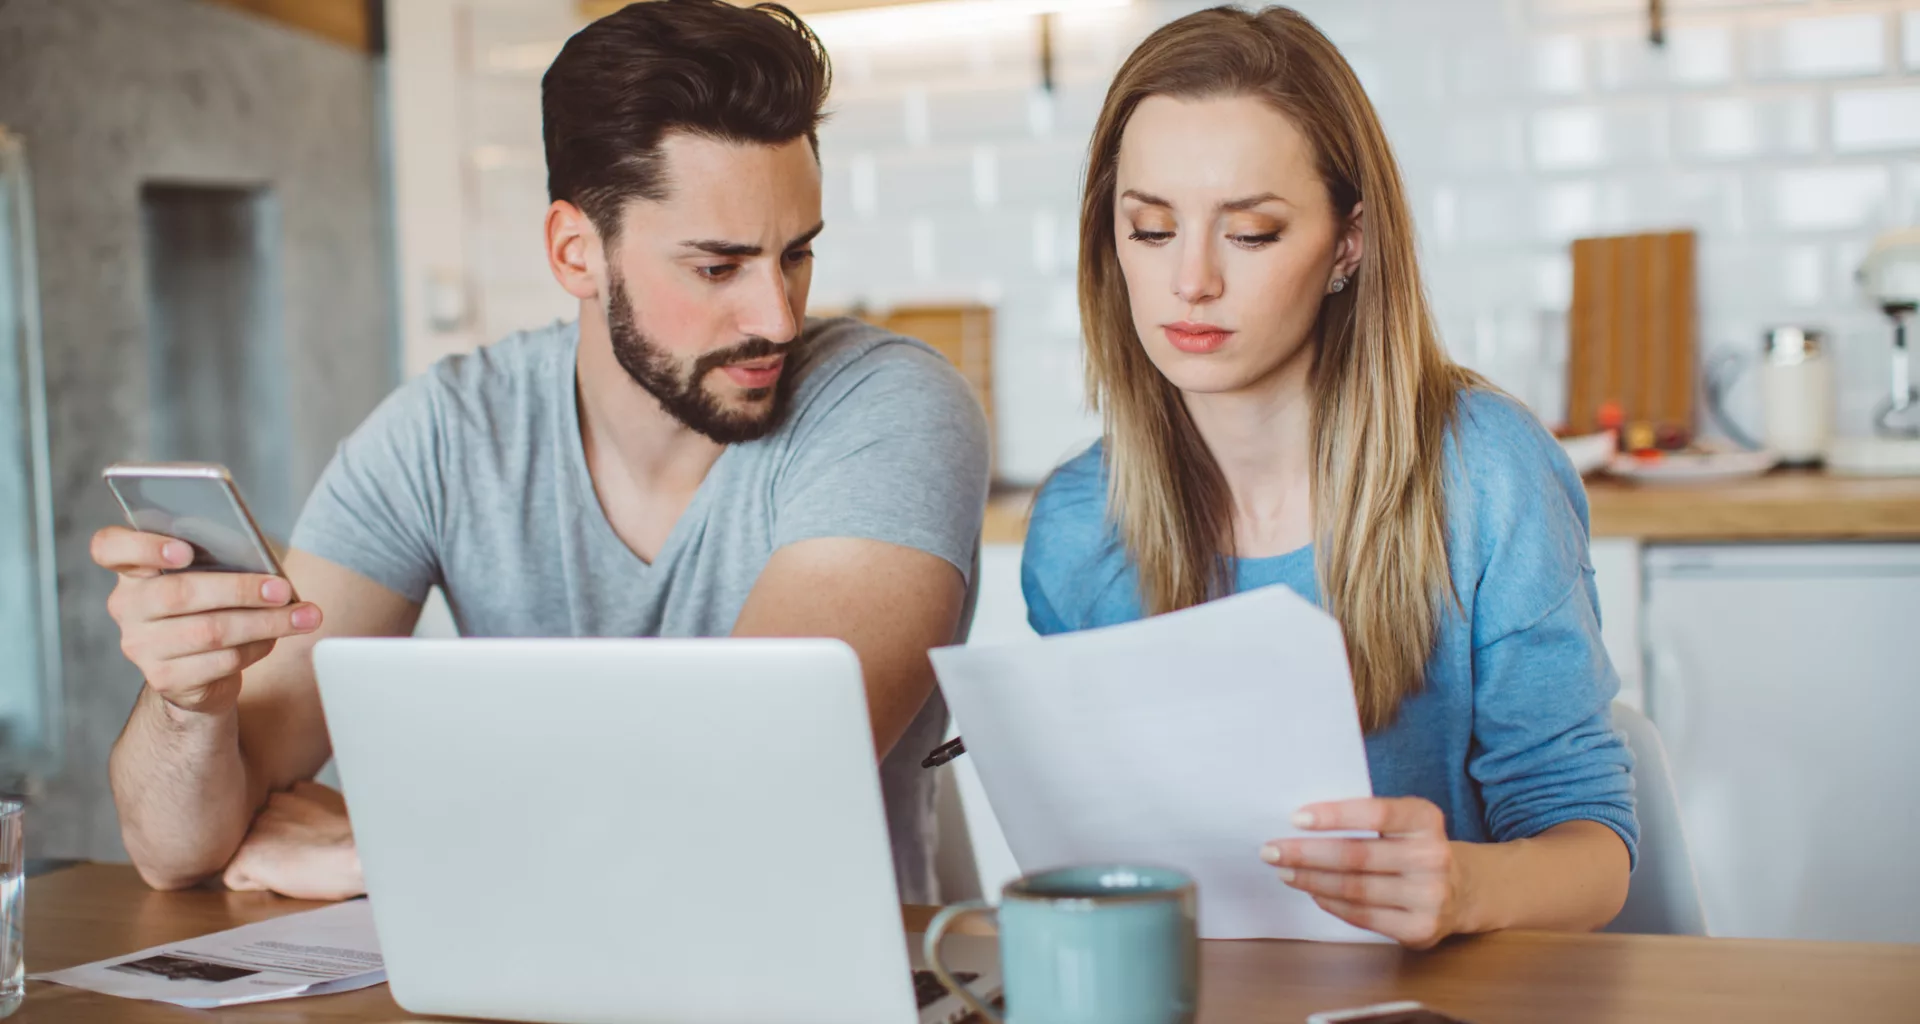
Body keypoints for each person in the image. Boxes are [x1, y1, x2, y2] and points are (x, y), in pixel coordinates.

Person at [94, 0, 988, 905]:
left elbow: (753, 791)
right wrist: (190, 702)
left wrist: (392, 855)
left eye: (795, 255)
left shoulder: (888, 406)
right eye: (717, 268)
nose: (778, 317)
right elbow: (177, 853)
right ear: (575, 252)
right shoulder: (446, 433)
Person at [1020, 6, 1635, 948]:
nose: (1191, 281)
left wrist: (1465, 887)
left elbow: (1592, 852)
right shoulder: (1076, 525)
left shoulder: (1483, 473)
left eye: (1252, 234)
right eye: (1149, 229)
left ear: (1347, 244)